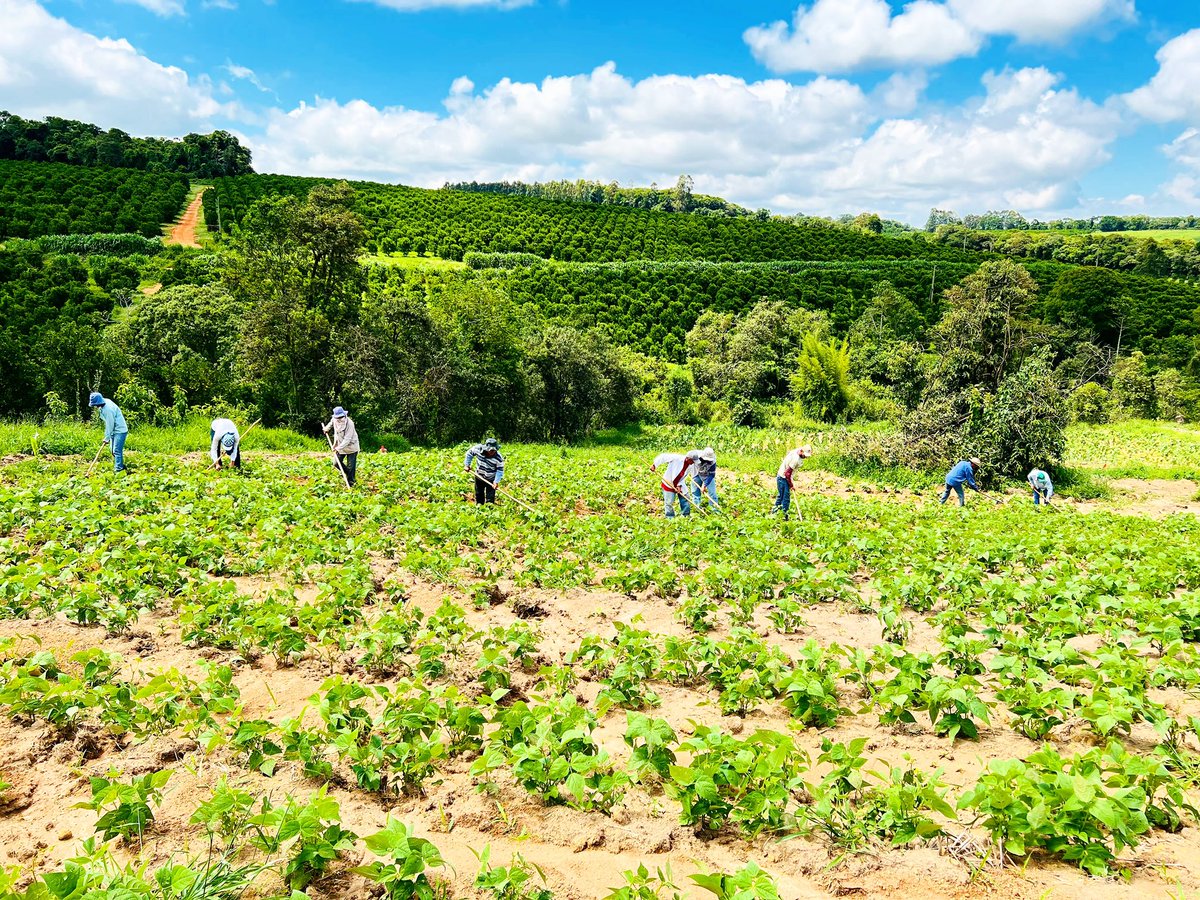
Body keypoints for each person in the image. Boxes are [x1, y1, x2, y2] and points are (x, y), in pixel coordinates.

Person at [88, 392, 128, 474]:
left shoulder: (108, 410)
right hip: (114, 430)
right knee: (113, 451)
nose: (95, 406)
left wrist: (106, 438)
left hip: (120, 430)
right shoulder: (104, 402)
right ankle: (122, 466)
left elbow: (110, 424)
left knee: (116, 451)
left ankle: (118, 470)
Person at [322, 406, 360, 487]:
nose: (339, 419)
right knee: (336, 463)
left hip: (351, 447)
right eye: (338, 417)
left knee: (351, 467)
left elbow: (347, 439)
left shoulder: (349, 423)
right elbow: (331, 423)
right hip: (340, 445)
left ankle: (351, 483)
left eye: (341, 417)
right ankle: (349, 474)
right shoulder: (334, 420)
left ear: (344, 415)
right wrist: (326, 429)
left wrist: (337, 448)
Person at [772, 446, 811, 519]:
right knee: (785, 498)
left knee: (781, 496)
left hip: (781, 476)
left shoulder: (796, 451)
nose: (805, 457)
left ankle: (774, 513)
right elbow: (787, 473)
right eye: (805, 455)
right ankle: (784, 516)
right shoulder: (795, 459)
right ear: (801, 451)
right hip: (783, 478)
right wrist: (791, 485)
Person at [651, 451, 694, 518]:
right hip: (669, 482)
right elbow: (663, 457)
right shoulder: (676, 458)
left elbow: (683, 476)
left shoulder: (691, 465)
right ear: (688, 458)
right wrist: (654, 465)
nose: (693, 463)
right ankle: (670, 517)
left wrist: (679, 485)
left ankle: (686, 516)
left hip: (680, 483)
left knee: (686, 498)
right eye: (692, 461)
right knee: (669, 502)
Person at [465, 438, 505, 504]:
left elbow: (500, 470)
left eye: (494, 450)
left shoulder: (498, 458)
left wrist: (496, 481)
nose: (492, 452)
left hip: (491, 479)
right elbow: (469, 453)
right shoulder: (478, 449)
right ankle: (479, 508)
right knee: (479, 494)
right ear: (486, 448)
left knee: (490, 497)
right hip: (479, 476)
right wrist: (467, 465)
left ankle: (489, 510)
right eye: (491, 450)